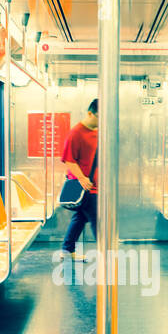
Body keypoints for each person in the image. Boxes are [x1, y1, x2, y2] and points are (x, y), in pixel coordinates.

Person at [59, 98, 99, 259]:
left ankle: (67, 250)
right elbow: (69, 159)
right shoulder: (76, 133)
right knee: (97, 219)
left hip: (93, 184)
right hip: (85, 185)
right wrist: (82, 178)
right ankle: (106, 253)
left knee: (80, 218)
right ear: (90, 113)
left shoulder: (96, 132)